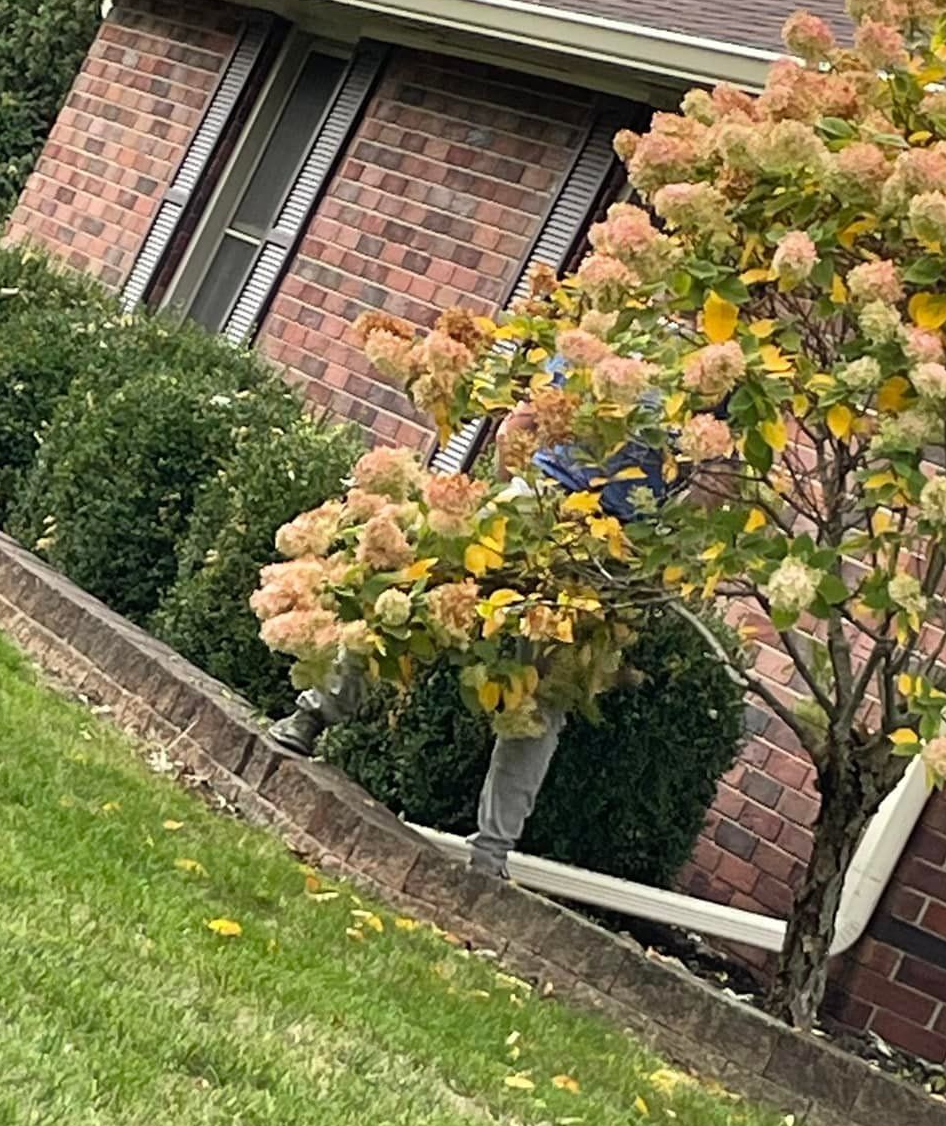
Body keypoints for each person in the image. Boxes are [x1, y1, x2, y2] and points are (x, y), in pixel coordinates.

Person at [269, 374, 678, 883]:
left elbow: (516, 428)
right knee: (543, 692)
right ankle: (491, 853)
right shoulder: (705, 391)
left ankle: (308, 721)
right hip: (610, 552)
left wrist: (510, 493)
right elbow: (705, 493)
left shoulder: (609, 333)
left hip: (531, 507)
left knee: (407, 599)